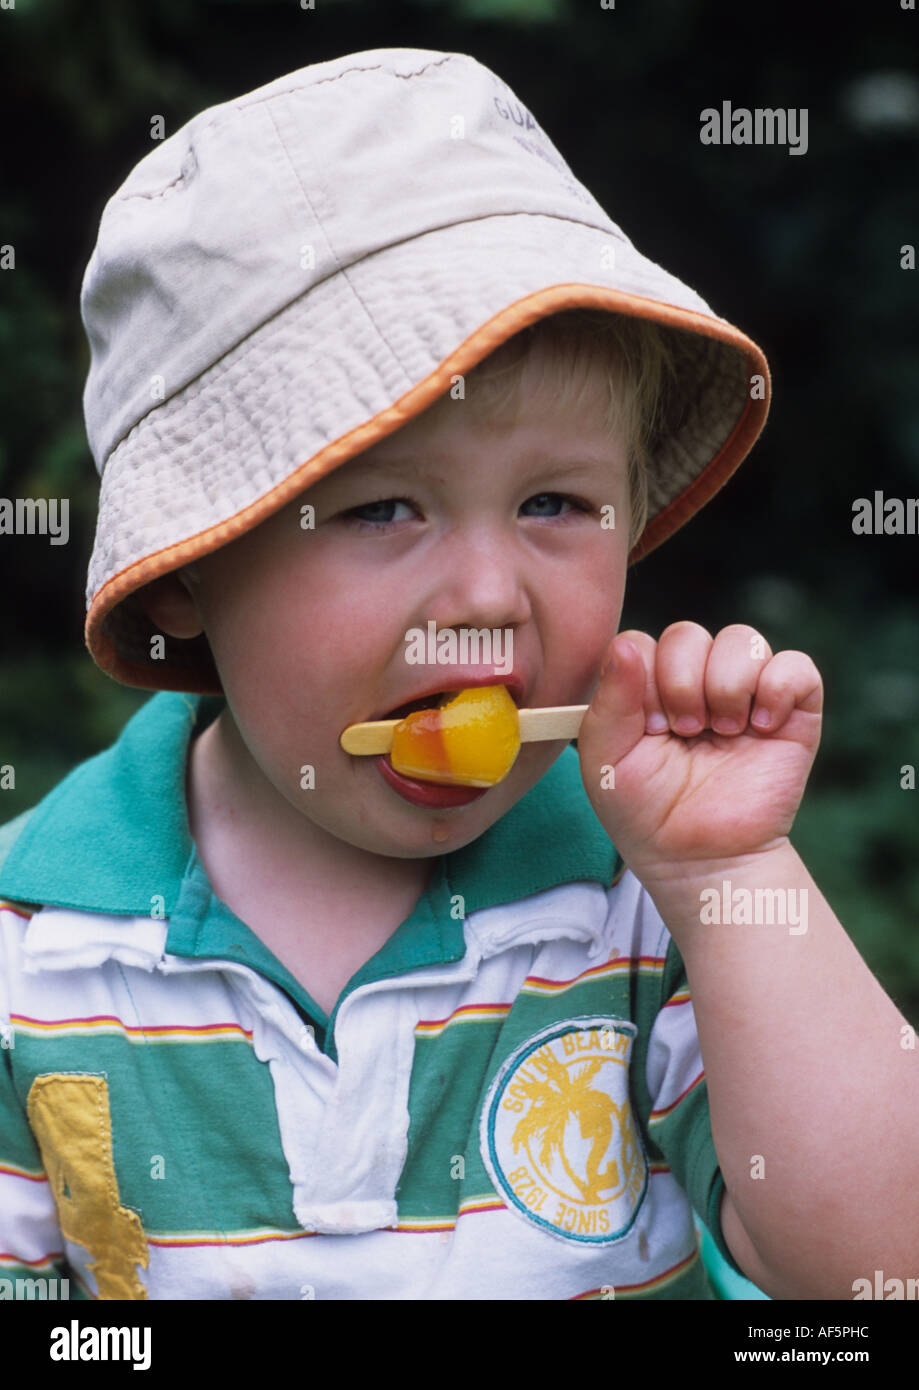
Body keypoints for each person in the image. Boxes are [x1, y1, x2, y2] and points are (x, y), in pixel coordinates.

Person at [0, 48, 915, 1302]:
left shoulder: (638, 900)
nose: (491, 595)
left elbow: (876, 1270)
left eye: (556, 501)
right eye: (382, 511)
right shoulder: (33, 952)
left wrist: (725, 870)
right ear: (184, 568)